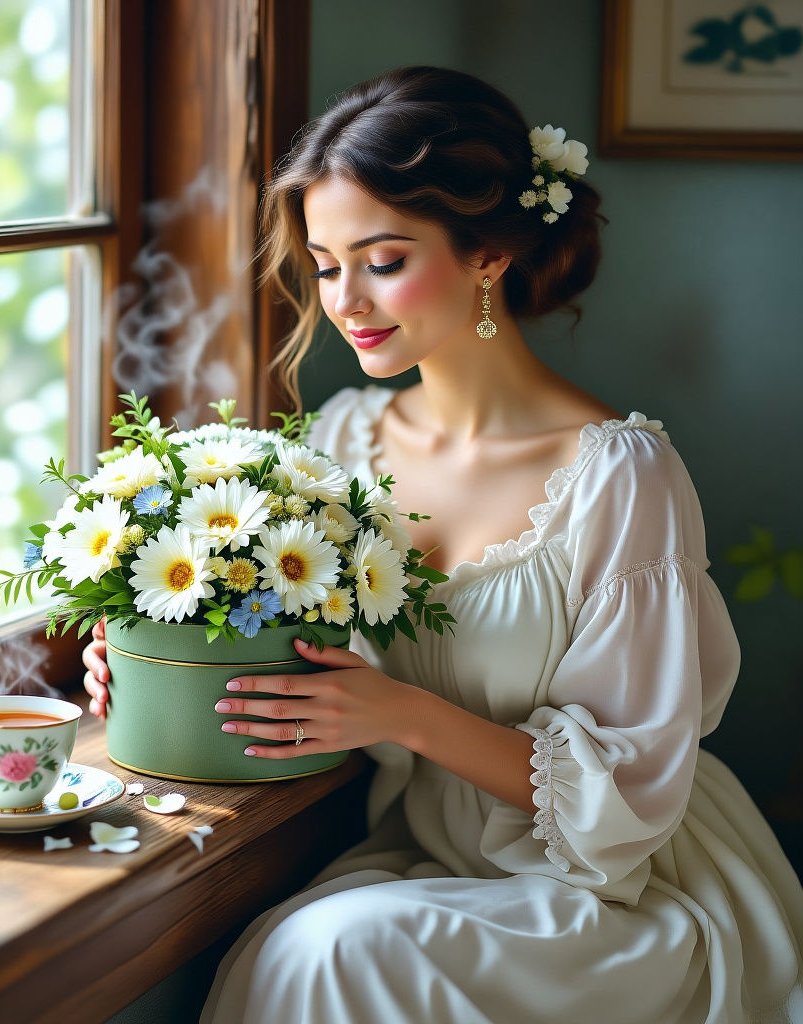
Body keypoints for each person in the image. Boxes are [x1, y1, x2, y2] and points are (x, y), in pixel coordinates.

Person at [82, 66, 803, 1023]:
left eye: (382, 260)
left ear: (488, 255)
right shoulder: (343, 441)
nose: (345, 301)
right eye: (327, 264)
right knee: (305, 950)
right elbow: (296, 650)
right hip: (435, 855)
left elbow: (632, 794)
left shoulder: (620, 479)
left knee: (325, 952)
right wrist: (160, 658)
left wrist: (401, 713)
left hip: (617, 888)